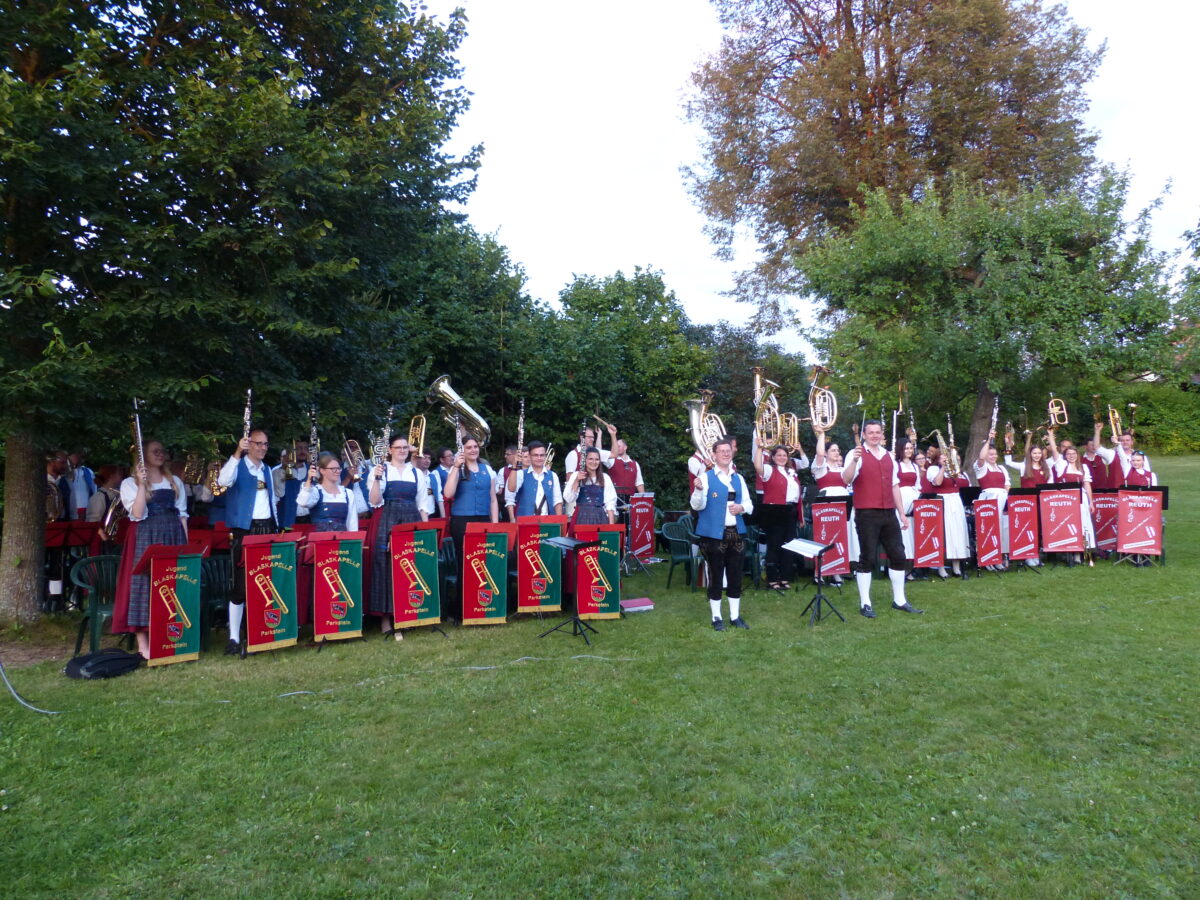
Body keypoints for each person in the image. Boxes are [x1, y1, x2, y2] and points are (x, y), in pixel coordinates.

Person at [113, 440, 188, 659]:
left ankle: (168, 634)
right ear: (143, 456)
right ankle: (143, 643)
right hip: (146, 535)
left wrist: (185, 546)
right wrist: (142, 484)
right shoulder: (130, 483)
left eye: (162, 450)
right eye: (154, 451)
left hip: (172, 534)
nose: (160, 454)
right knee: (143, 585)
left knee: (171, 582)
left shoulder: (174, 481)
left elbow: (182, 514)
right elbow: (136, 513)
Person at [842, 420, 921, 617]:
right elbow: (846, 479)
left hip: (889, 513)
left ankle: (899, 600)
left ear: (881, 434)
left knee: (898, 555)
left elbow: (894, 486)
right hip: (866, 512)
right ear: (864, 434)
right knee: (867, 557)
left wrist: (902, 513)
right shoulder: (855, 454)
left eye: (878, 432)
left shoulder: (888, 456)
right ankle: (865, 603)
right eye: (871, 432)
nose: (875, 435)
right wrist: (854, 461)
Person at [217, 428, 281, 654]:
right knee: (240, 584)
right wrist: (236, 453)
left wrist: (276, 526)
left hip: (266, 528)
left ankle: (261, 629)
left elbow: (271, 500)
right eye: (258, 444)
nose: (262, 448)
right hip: (244, 530)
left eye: (265, 444)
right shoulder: (238, 465)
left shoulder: (266, 469)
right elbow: (222, 481)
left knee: (264, 580)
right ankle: (234, 638)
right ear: (248, 444)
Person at [366, 434, 433, 638]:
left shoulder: (417, 473)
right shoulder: (380, 470)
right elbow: (375, 501)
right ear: (390, 449)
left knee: (409, 566)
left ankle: (407, 612)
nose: (402, 451)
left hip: (410, 518)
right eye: (398, 447)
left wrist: (425, 531)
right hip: (388, 518)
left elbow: (423, 504)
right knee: (385, 567)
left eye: (405, 447)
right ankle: (386, 618)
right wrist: (377, 478)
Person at [690, 437, 753, 630]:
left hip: (736, 533)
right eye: (721, 451)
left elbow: (750, 505)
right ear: (714, 455)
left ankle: (735, 616)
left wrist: (741, 507)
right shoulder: (707, 477)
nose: (726, 453)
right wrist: (699, 490)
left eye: (728, 450)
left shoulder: (738, 478)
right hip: (713, 535)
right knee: (716, 575)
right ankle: (717, 617)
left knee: (735, 575)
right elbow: (696, 505)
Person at [752, 435, 803, 591]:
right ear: (773, 457)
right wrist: (760, 448)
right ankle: (772, 578)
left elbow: (797, 497)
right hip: (774, 511)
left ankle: (785, 577)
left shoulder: (792, 472)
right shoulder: (769, 470)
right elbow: (757, 466)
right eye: (779, 455)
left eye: (784, 455)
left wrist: (800, 516)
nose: (782, 457)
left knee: (789, 546)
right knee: (774, 546)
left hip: (790, 511)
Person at [442, 434, 500, 563]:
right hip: (462, 521)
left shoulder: (488, 470)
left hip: (483, 519)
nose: (473, 450)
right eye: (469, 447)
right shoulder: (456, 469)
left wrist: (495, 524)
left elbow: (493, 499)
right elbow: (448, 493)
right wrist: (456, 466)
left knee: (483, 558)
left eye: (475, 446)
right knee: (465, 559)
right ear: (462, 450)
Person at [810, 430, 857, 583]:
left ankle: (837, 570)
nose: (837, 452)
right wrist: (821, 435)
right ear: (826, 453)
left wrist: (855, 461)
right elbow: (818, 454)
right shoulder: (821, 468)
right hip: (825, 506)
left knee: (840, 538)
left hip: (842, 506)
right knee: (824, 538)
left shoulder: (842, 469)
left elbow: (849, 479)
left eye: (838, 450)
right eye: (833, 450)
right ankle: (820, 572)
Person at [1047, 433, 1095, 563]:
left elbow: (1087, 485)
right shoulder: (1062, 465)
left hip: (1081, 500)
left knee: (1083, 525)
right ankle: (1070, 550)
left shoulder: (1083, 467)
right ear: (1065, 456)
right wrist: (1051, 435)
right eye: (1068, 454)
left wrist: (1091, 502)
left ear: (1077, 455)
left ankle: (1082, 552)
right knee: (1069, 525)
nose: (1071, 456)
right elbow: (1055, 450)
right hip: (1067, 501)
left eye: (1074, 454)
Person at [925, 447, 969, 579]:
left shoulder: (955, 470)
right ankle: (941, 566)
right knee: (943, 533)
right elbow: (937, 482)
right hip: (942, 501)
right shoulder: (933, 469)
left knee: (957, 533)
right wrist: (943, 467)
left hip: (956, 501)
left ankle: (956, 566)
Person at [973, 430, 1011, 570]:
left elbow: (1007, 484)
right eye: (990, 454)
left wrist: (1007, 500)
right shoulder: (981, 468)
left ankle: (998, 558)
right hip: (989, 499)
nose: (993, 456)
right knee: (989, 528)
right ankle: (988, 558)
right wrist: (988, 440)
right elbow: (981, 458)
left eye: (995, 454)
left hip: (1002, 499)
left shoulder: (1001, 468)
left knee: (1001, 529)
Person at [296, 452, 359, 532]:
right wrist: (309, 480)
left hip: (342, 540)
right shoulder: (315, 491)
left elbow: (352, 522)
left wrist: (354, 541)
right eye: (333, 469)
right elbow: (303, 503)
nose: (337, 471)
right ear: (322, 470)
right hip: (319, 541)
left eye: (338, 468)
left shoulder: (347, 493)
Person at [505, 441, 563, 519]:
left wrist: (559, 522)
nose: (539, 458)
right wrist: (514, 466)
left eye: (542, 455)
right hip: (525, 522)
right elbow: (511, 489)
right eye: (535, 455)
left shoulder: (553, 475)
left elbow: (557, 501)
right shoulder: (521, 474)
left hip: (548, 521)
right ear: (529, 456)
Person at [563, 446, 617, 529]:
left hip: (600, 517)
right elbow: (569, 498)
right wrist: (576, 481)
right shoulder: (576, 475)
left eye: (597, 459)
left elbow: (610, 503)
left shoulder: (605, 477)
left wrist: (611, 526)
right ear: (584, 460)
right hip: (580, 518)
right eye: (590, 459)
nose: (594, 462)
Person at [895, 438, 922, 580]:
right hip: (901, 499)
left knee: (914, 533)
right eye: (906, 448)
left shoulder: (914, 466)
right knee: (903, 535)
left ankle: (912, 567)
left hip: (914, 499)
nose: (909, 451)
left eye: (911, 448)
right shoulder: (896, 465)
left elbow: (918, 484)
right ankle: (902, 568)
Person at [273, 440, 311, 528]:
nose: (303, 451)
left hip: (309, 519)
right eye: (299, 448)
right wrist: (284, 468)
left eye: (305, 448)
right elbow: (278, 494)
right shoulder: (278, 471)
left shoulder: (312, 470)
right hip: (288, 519)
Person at [67, 448, 96, 520]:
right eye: (77, 455)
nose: (80, 458)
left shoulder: (88, 472)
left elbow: (94, 491)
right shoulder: (64, 473)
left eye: (81, 455)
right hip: (71, 510)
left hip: (86, 509)